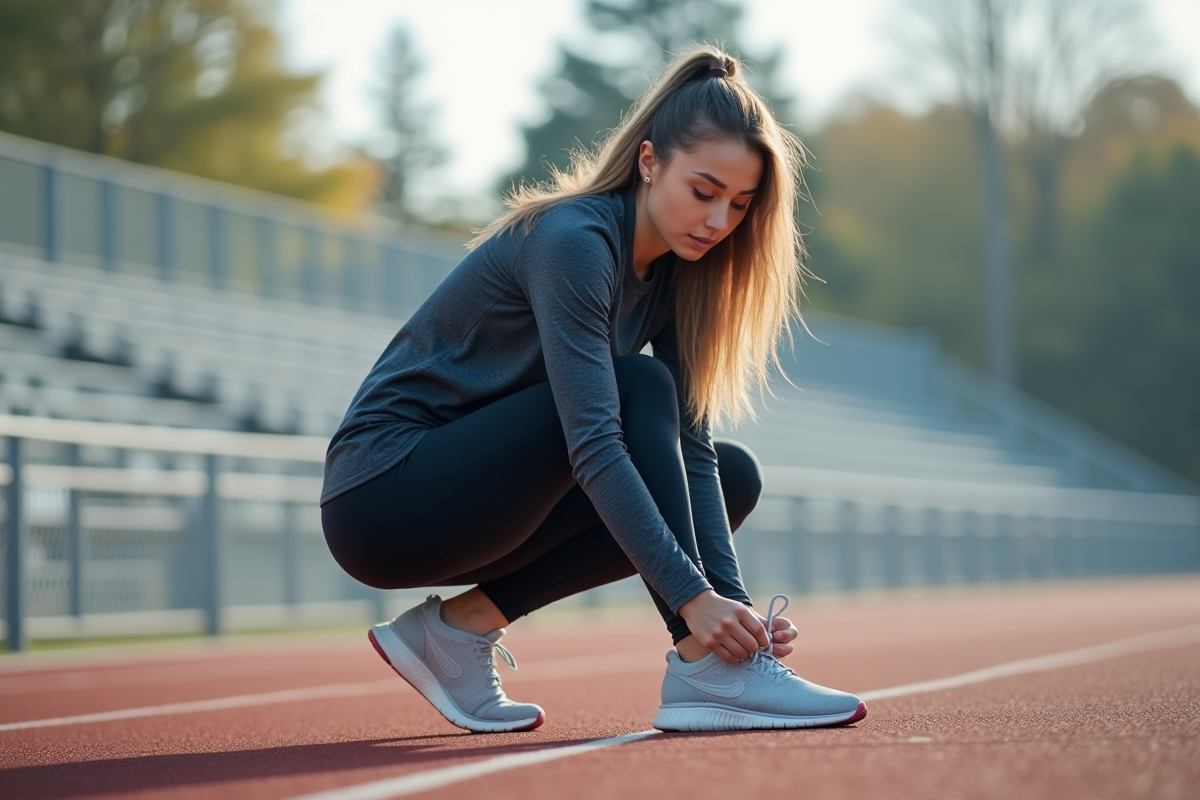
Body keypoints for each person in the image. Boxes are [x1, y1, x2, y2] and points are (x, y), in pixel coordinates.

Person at [320, 45, 866, 733]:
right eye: (703, 192)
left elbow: (691, 449)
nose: (718, 222)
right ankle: (703, 665)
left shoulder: (677, 273)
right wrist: (693, 607)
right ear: (649, 161)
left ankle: (459, 629)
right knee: (639, 385)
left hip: (486, 504)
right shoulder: (575, 241)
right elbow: (594, 442)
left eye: (738, 205)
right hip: (382, 497)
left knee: (732, 476)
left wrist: (733, 611)